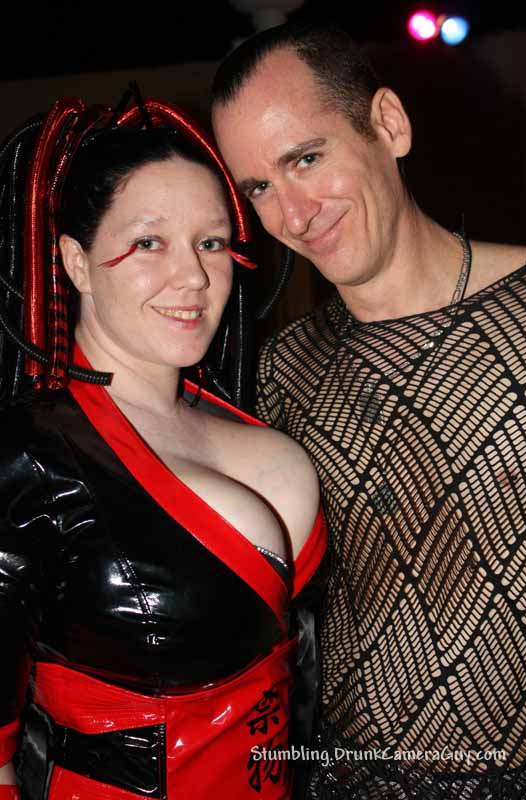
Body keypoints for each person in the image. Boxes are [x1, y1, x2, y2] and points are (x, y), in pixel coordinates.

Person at [211, 21, 526, 800]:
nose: (292, 215)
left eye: (305, 159)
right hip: (340, 775)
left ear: (388, 124)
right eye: (257, 189)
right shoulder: (284, 367)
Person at [0, 91, 327, 799]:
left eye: (211, 243)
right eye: (149, 242)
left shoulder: (248, 411)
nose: (194, 278)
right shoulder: (28, 457)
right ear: (76, 262)